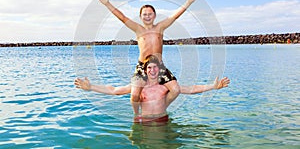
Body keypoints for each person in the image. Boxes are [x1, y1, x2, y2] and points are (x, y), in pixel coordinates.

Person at [97, 0, 199, 116]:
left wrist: (188, 2)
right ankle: (136, 114)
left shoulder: (160, 27)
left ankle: (162, 107)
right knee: (134, 94)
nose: (147, 16)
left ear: (154, 15)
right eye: (144, 14)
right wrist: (107, 3)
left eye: (150, 14)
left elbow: (174, 16)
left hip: (159, 66)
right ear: (140, 17)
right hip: (142, 66)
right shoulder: (138, 29)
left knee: (176, 89)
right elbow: (122, 17)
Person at [74, 55, 230, 124]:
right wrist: (91, 87)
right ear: (145, 70)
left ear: (160, 69)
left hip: (163, 120)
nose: (153, 70)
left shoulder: (165, 87)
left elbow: (191, 89)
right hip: (144, 121)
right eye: (149, 67)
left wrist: (213, 87)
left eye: (155, 67)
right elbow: (114, 90)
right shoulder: (139, 87)